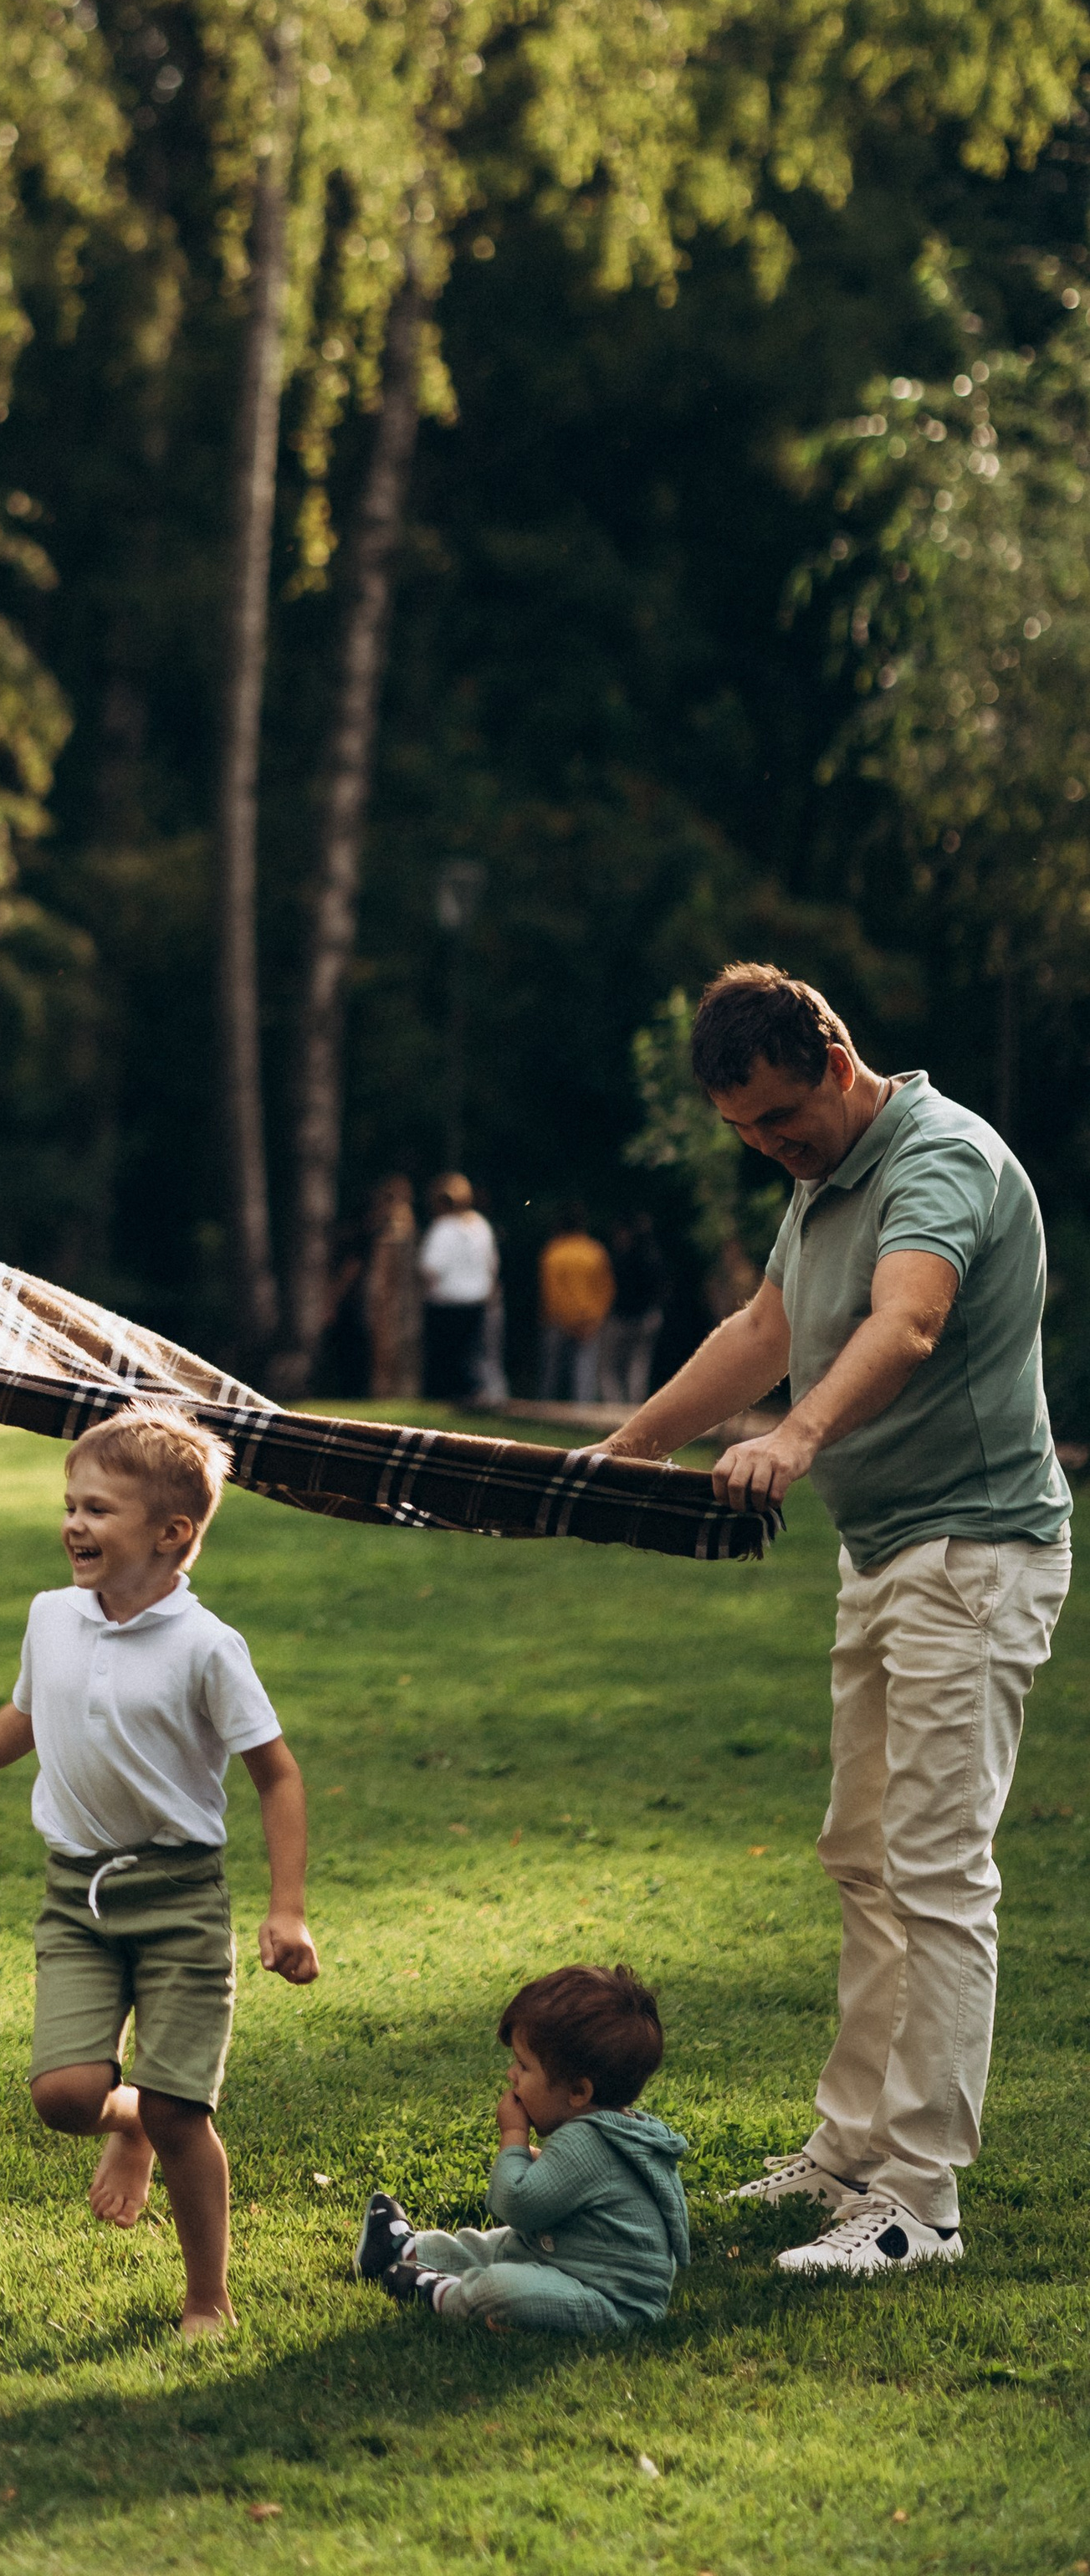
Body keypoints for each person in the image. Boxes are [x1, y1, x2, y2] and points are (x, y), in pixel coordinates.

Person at [596, 962, 1071, 2275]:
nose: (768, 1147)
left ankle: (920, 2201)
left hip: (974, 1555)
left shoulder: (939, 1158)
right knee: (862, 1858)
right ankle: (851, 2151)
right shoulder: (823, 1177)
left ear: (839, 1061)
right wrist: (631, 1450)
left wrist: (795, 1438)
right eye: (743, 1130)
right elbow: (766, 1326)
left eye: (779, 1119)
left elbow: (907, 1322)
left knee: (936, 1872)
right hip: (887, 1557)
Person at [0, 1406, 319, 2337]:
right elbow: (25, 1719)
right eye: (70, 1506)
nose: (73, 1524)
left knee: (182, 2111)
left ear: (171, 1533)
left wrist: (287, 1910)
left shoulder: (207, 1647)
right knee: (65, 2098)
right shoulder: (51, 1618)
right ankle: (128, 2121)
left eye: (98, 1510)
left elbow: (276, 1775)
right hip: (78, 1896)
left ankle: (207, 2297)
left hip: (181, 1900)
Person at [351, 1963, 688, 2333]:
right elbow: (577, 2182)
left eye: (524, 2067)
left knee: (504, 2287)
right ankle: (406, 2249)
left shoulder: (587, 2140)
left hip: (607, 2300)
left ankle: (441, 2291)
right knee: (500, 2245)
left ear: (579, 2091)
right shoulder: (626, 2129)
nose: (511, 2074)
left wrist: (513, 2134)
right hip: (569, 2258)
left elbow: (514, 2203)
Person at [417, 1174, 498, 1406]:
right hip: (476, 1301)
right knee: (471, 1357)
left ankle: (444, 1400)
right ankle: (474, 1397)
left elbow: (430, 1268)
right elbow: (492, 1265)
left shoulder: (443, 1228)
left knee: (445, 1359)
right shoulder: (480, 1226)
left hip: (446, 1302)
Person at [536, 1208, 616, 1403]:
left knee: (551, 1372)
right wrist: (596, 1318)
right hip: (589, 1322)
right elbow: (606, 1288)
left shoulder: (555, 1251)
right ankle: (582, 1410)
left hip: (558, 1321)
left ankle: (546, 1409)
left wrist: (565, 1319)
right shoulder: (594, 1251)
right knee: (584, 1373)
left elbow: (551, 1291)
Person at [362, 1173, 422, 1399]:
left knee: (401, 1349)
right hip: (389, 1301)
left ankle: (401, 1392)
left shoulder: (405, 1230)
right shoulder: (382, 1230)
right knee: (384, 1350)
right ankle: (384, 1392)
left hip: (399, 1301)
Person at [603, 1214, 665, 1407]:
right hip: (644, 1317)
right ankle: (633, 1408)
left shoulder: (623, 1257)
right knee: (638, 1366)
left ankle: (617, 1408)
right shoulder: (654, 1256)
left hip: (625, 1318)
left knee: (611, 1367)